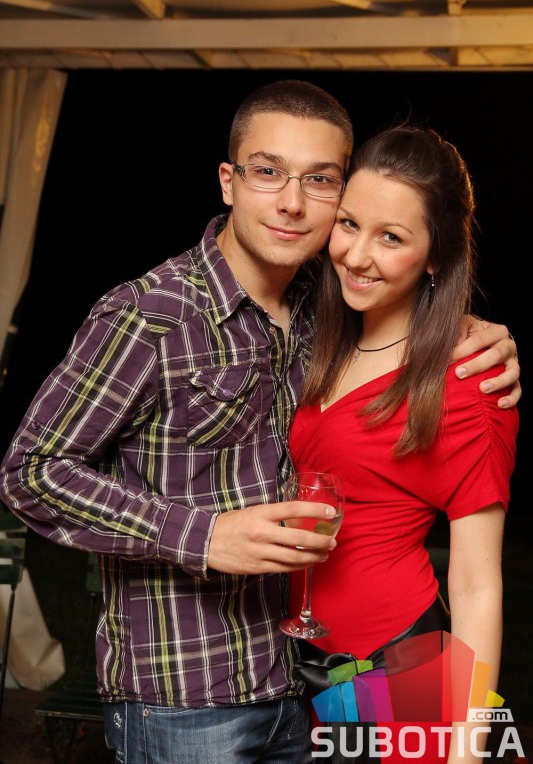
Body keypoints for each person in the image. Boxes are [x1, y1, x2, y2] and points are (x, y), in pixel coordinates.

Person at [0, 81, 520, 764]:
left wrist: (467, 326)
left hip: (319, 675)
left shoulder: (318, 314)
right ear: (229, 181)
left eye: (320, 180)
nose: (293, 202)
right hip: (189, 693)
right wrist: (206, 534)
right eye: (268, 171)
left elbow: (475, 578)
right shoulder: (151, 315)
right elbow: (30, 472)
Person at [287, 124, 519, 762]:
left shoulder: (470, 384)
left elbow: (476, 585)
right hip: (288, 656)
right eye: (349, 224)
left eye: (391, 237)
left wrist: (466, 749)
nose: (357, 255)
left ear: (437, 255)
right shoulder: (317, 334)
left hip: (389, 664)